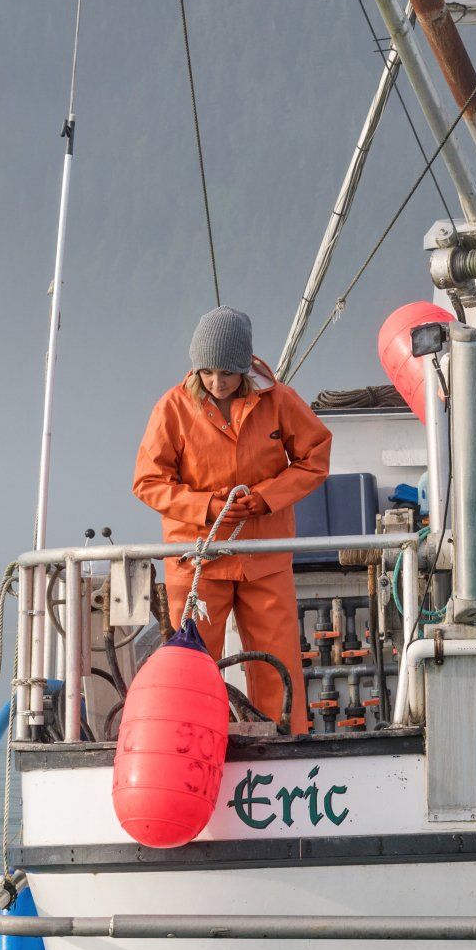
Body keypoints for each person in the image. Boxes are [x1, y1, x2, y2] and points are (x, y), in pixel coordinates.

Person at [133, 306, 332, 734]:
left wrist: (266, 498)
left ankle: (285, 742)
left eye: (226, 372)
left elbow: (315, 456)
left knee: (278, 663)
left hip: (265, 557)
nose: (217, 382)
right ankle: (190, 742)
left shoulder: (280, 400)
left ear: (245, 366)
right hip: (197, 561)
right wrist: (205, 507)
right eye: (206, 372)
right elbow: (148, 481)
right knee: (192, 663)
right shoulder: (172, 408)